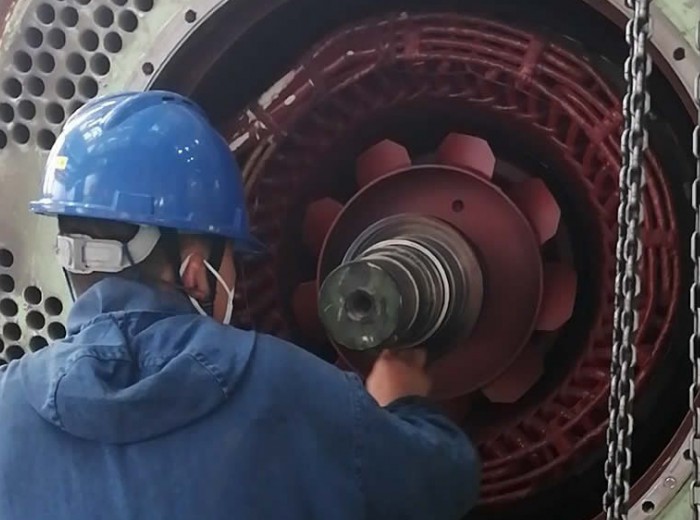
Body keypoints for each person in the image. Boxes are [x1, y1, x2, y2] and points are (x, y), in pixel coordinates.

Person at [0, 91, 480, 520]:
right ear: (195, 270)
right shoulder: (290, 390)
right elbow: (442, 486)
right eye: (230, 256)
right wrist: (402, 403)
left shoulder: (7, 405)